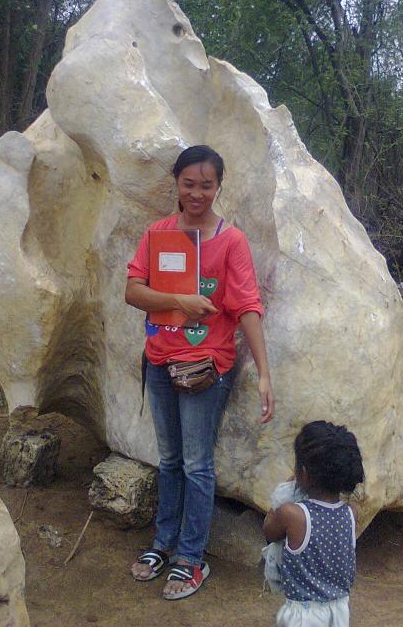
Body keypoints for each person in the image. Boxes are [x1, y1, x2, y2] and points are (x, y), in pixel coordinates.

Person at [126, 144, 275, 600]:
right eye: (189, 183)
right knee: (169, 459)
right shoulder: (157, 234)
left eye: (206, 185)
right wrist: (179, 302)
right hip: (160, 358)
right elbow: (133, 290)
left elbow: (248, 306)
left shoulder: (231, 241)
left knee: (196, 463)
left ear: (218, 187)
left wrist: (265, 374)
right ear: (176, 182)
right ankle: (163, 543)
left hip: (207, 366)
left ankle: (191, 558)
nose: (197, 193)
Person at [263, 421, 364, 627]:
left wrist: (287, 489)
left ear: (303, 474)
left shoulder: (292, 515)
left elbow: (269, 531)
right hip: (339, 612)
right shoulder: (351, 513)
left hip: (301, 617)